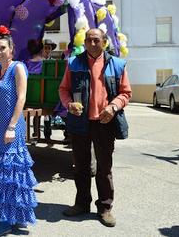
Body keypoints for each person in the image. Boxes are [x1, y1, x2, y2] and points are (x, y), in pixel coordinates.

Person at [58, 28, 132, 227]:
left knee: (104, 167)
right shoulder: (73, 63)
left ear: (104, 42)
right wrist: (68, 105)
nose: (92, 44)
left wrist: (113, 106)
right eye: (89, 40)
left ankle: (105, 207)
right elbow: (63, 89)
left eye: (96, 40)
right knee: (81, 167)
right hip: (79, 123)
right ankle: (82, 204)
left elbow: (125, 93)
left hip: (104, 123)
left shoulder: (117, 64)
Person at [0, 30, 37, 236]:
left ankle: (5, 221)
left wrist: (11, 127)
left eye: (3, 48)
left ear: (11, 49)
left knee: (8, 173)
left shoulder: (17, 68)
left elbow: (21, 99)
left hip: (12, 127)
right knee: (0, 172)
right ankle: (5, 212)